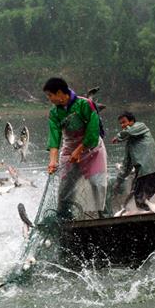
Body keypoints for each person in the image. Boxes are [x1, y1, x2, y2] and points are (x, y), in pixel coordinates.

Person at [43, 77, 108, 219]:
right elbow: (54, 139)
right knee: (65, 187)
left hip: (92, 149)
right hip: (69, 150)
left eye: (50, 95)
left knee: (98, 183)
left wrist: (79, 150)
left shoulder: (85, 104)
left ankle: (102, 214)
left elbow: (93, 131)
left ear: (60, 93)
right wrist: (53, 161)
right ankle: (64, 216)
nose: (49, 99)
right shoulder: (54, 113)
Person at [112, 112, 155, 210]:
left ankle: (154, 214)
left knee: (141, 199)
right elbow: (126, 166)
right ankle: (150, 214)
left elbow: (129, 132)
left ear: (132, 121)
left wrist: (118, 137)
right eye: (120, 124)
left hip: (152, 169)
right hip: (142, 173)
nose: (122, 125)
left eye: (124, 122)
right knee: (138, 198)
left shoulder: (141, 126)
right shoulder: (129, 145)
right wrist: (118, 181)